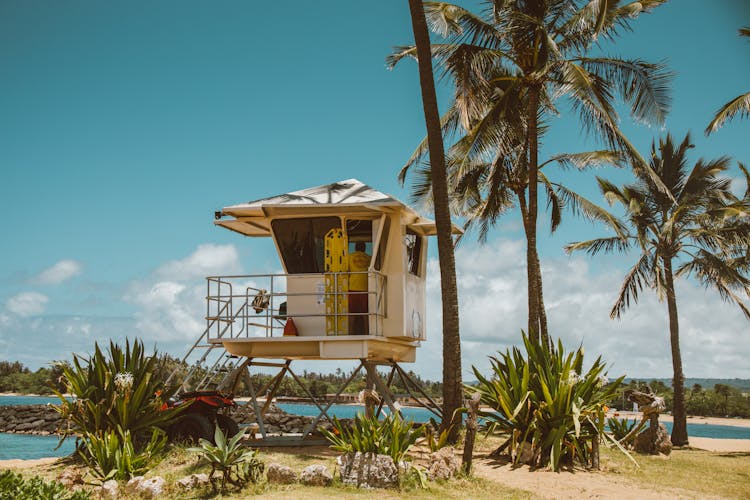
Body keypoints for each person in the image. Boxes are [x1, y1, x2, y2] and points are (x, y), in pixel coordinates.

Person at [348, 241, 370, 335]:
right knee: (366, 314)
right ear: (364, 248)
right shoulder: (369, 258)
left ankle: (351, 332)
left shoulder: (350, 257)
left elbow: (347, 270)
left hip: (352, 288)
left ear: (355, 248)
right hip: (366, 288)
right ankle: (367, 332)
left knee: (352, 314)